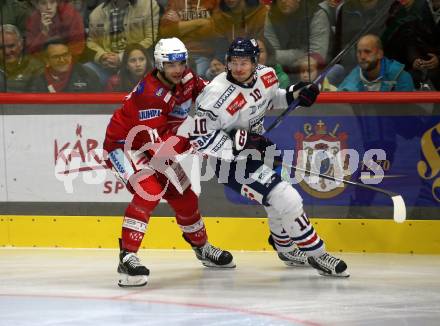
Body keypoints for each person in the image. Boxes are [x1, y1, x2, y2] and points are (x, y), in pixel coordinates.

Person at [190, 37, 349, 277]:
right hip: (230, 164)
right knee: (287, 198)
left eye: (245, 62)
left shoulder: (267, 76)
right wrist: (238, 142)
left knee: (277, 200)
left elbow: (272, 97)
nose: (239, 67)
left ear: (255, 62)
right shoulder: (214, 96)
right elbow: (200, 138)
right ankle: (317, 254)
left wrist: (297, 93)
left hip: (260, 150)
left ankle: (285, 247)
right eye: (234, 62)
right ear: (227, 63)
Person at [103, 37, 235, 287]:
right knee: (149, 191)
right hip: (125, 145)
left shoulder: (187, 78)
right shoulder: (150, 94)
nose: (177, 69)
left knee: (185, 195)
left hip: (155, 143)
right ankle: (127, 255)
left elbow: (212, 95)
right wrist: (199, 142)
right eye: (170, 64)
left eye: (181, 63)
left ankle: (202, 248)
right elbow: (160, 148)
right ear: (159, 64)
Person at [86, 0, 160, 84]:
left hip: (137, 60)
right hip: (108, 64)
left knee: (158, 67)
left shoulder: (149, 6)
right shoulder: (96, 13)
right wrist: (102, 56)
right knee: (85, 71)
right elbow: (91, 42)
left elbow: (151, 38)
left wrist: (122, 57)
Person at [382, 0, 440, 90]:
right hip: (422, 62)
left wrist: (438, 59)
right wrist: (415, 59)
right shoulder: (420, 7)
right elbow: (411, 39)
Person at [263, 0, 330, 77]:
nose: (283, 1)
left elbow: (316, 58)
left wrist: (282, 57)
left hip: (320, 73)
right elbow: (272, 56)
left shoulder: (316, 14)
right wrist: (301, 53)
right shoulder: (272, 14)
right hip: (283, 73)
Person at [159, 0, 218, 77]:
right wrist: (200, 22)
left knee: (200, 77)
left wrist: (180, 26)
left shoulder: (211, 2)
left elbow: (213, 30)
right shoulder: (175, 2)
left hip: (204, 54)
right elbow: (167, 32)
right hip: (179, 53)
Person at [338, 34, 414, 91]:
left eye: (367, 51)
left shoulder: (401, 78)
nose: (362, 57)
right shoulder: (353, 78)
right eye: (359, 52)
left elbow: (406, 110)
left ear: (380, 54)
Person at [30, 38, 102, 92]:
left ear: (71, 55)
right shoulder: (36, 78)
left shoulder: (87, 75)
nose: (62, 60)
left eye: (65, 55)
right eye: (56, 57)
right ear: (47, 60)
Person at [0, 24, 44, 92]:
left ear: (21, 44)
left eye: (11, 46)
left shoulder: (35, 67)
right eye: (1, 48)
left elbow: (36, 99)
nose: (7, 52)